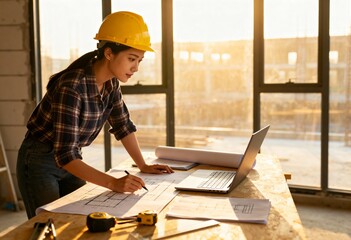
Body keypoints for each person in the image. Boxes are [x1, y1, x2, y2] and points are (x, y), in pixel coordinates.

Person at [16, 11, 174, 219]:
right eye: (131, 58)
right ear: (109, 53)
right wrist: (113, 182)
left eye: (140, 60)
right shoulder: (72, 87)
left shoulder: (111, 84)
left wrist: (142, 165)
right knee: (49, 225)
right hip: (40, 161)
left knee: (80, 220)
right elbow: (65, 155)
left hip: (71, 159)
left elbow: (123, 125)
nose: (135, 68)